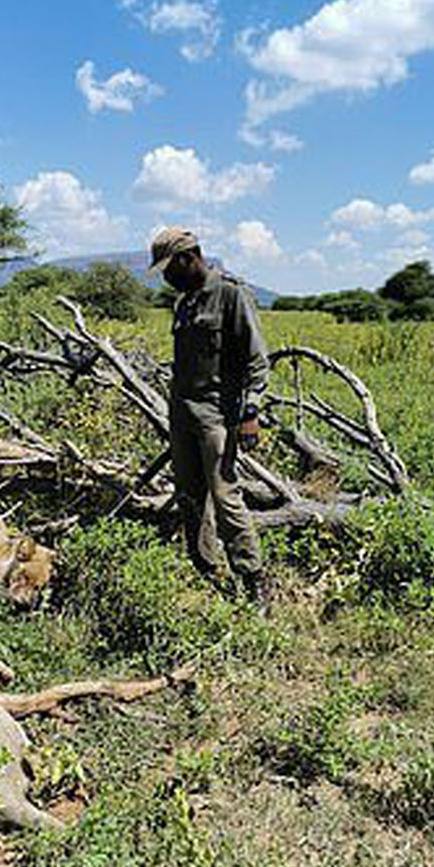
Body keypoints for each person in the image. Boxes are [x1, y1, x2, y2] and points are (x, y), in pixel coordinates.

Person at [148, 227, 270, 607]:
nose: (166, 277)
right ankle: (207, 572)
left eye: (170, 268)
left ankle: (253, 580)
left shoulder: (230, 294)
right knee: (189, 496)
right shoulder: (183, 303)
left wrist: (251, 413)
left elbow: (256, 360)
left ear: (189, 257)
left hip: (218, 415)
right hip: (182, 414)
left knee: (225, 496)